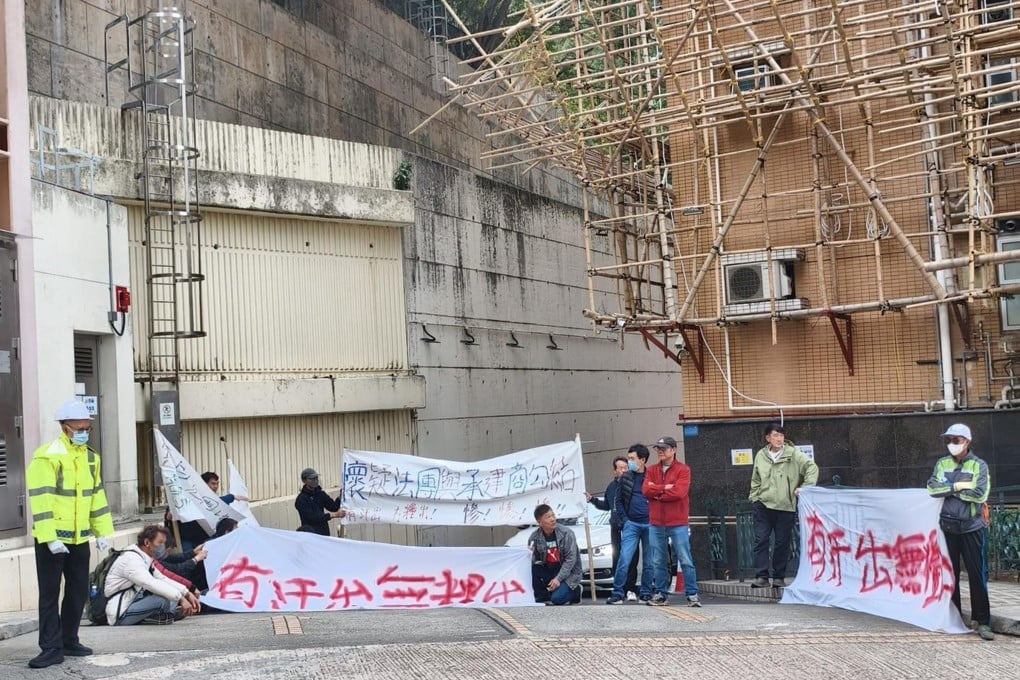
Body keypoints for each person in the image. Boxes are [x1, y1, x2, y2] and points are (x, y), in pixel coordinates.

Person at [26, 399, 115, 668]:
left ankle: (69, 639)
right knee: (49, 594)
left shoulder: (91, 458)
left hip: (79, 537)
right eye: (79, 429)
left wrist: (101, 531)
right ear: (65, 428)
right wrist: (49, 537)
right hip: (52, 539)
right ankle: (51, 647)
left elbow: (96, 496)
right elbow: (41, 499)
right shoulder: (47, 456)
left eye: (87, 428)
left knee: (77, 591)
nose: (84, 433)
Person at [926, 423, 995, 641]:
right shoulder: (942, 463)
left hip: (972, 527)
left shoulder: (979, 465)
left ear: (967, 442)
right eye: (948, 440)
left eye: (955, 440)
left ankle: (982, 622)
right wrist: (958, 487)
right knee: (950, 574)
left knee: (977, 575)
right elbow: (932, 488)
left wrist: (948, 490)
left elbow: (980, 494)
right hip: (948, 527)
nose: (951, 444)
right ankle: (954, 618)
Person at [748, 422, 819, 588]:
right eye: (775, 435)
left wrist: (805, 487)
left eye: (781, 435)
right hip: (763, 505)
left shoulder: (793, 454)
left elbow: (812, 467)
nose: (779, 439)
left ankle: (778, 577)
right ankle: (762, 577)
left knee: (782, 543)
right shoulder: (761, 455)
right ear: (768, 438)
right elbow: (755, 479)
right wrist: (754, 497)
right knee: (761, 541)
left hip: (785, 506)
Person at [643, 436, 700, 607]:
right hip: (656, 522)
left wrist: (657, 493)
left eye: (664, 448)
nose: (660, 451)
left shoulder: (683, 469)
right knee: (658, 560)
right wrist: (664, 488)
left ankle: (692, 594)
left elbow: (679, 493)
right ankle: (661, 593)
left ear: (674, 450)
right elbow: (645, 490)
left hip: (678, 522)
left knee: (685, 558)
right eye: (658, 448)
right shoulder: (651, 470)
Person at [104, 525, 201, 626]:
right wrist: (180, 598)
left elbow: (162, 579)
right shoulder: (131, 560)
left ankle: (163, 615)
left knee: (171, 598)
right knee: (162, 601)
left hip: (133, 602)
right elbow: (150, 583)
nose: (162, 547)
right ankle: (157, 617)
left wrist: (186, 593)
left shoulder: (145, 558)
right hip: (120, 613)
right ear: (147, 543)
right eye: (160, 542)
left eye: (163, 543)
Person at [606, 444, 654, 604]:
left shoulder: (652, 476)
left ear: (642, 460)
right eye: (629, 458)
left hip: (650, 524)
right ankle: (618, 592)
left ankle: (646, 592)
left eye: (632, 458)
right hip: (631, 524)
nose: (630, 462)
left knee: (649, 561)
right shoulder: (626, 477)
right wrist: (625, 520)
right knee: (624, 558)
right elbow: (618, 501)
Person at [587, 455, 637, 598]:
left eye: (625, 467)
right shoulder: (611, 487)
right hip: (615, 527)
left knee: (631, 558)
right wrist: (592, 500)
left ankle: (630, 589)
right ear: (615, 471)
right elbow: (607, 505)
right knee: (617, 557)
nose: (623, 470)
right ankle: (618, 588)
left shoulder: (633, 484)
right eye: (620, 468)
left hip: (630, 526)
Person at [174, 471, 248, 551]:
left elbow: (217, 503)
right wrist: (231, 497)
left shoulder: (214, 501)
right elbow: (210, 503)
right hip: (188, 539)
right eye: (213, 483)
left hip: (205, 538)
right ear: (204, 484)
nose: (216, 486)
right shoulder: (192, 497)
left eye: (217, 483)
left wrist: (231, 497)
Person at [527, 504, 583, 605]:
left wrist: (558, 579)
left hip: (569, 573)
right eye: (548, 517)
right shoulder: (534, 537)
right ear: (539, 522)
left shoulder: (567, 533)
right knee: (533, 568)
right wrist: (530, 553)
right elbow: (532, 561)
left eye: (553, 515)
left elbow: (570, 560)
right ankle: (543, 596)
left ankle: (576, 591)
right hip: (551, 570)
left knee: (557, 599)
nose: (553, 519)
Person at [295, 468, 345, 535]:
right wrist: (333, 515)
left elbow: (333, 507)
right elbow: (312, 517)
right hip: (310, 533)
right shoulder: (301, 499)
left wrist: (340, 497)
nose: (315, 480)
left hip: (324, 532)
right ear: (304, 480)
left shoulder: (320, 493)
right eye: (312, 478)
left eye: (316, 478)